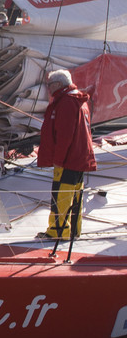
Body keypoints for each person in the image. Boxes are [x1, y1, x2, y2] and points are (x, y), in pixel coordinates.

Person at [37, 68, 96, 240]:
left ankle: (58, 232)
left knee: (61, 195)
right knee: (75, 196)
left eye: (49, 85)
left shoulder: (66, 102)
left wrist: (58, 160)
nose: (48, 89)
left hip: (68, 159)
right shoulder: (78, 100)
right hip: (79, 157)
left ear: (57, 84)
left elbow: (65, 135)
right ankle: (73, 231)